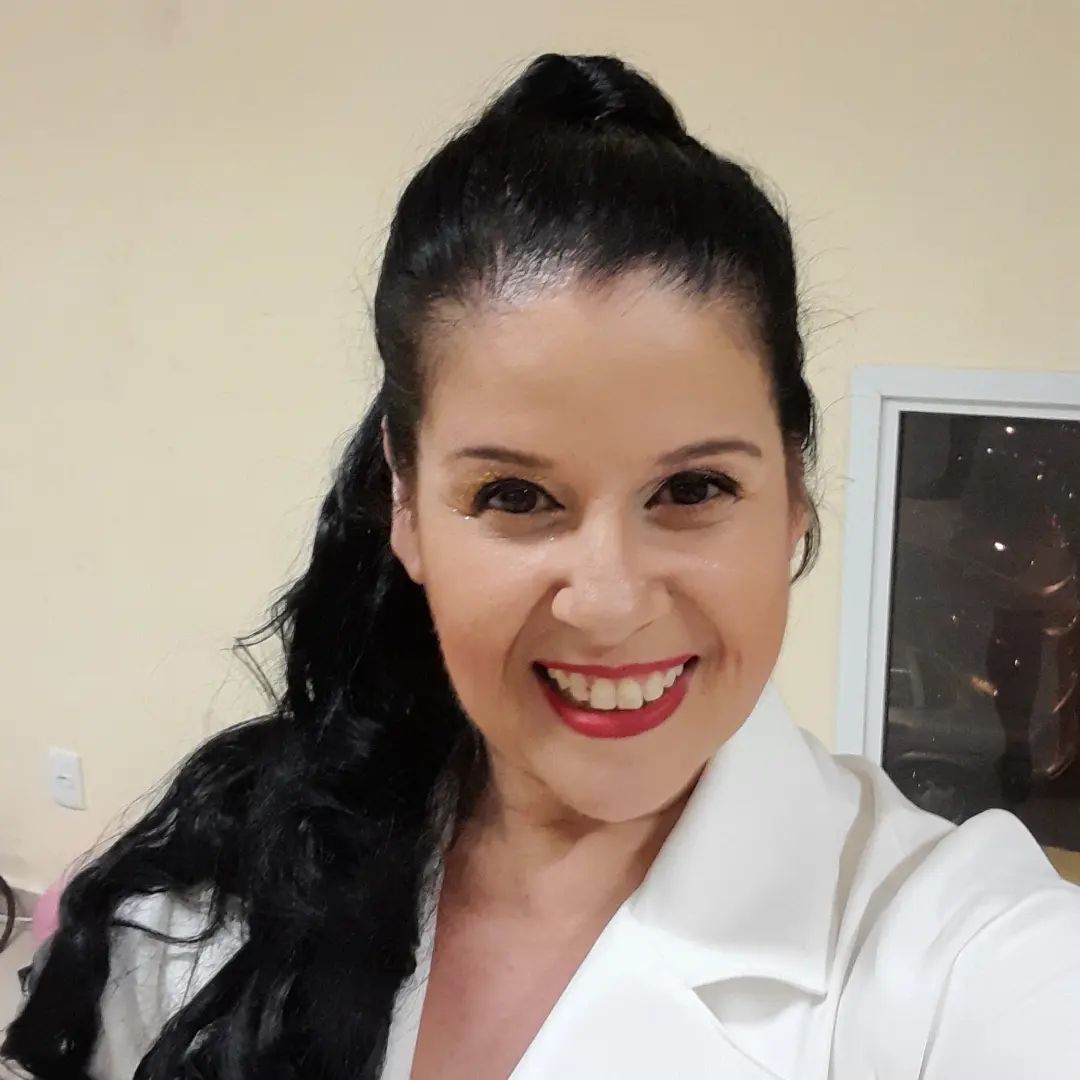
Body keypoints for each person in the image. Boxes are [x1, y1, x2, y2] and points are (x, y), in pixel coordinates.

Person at [4, 52, 1079, 1080]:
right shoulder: (224, 884)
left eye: (693, 488)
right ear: (405, 505)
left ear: (795, 491)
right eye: (515, 497)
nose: (609, 604)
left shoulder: (943, 950)